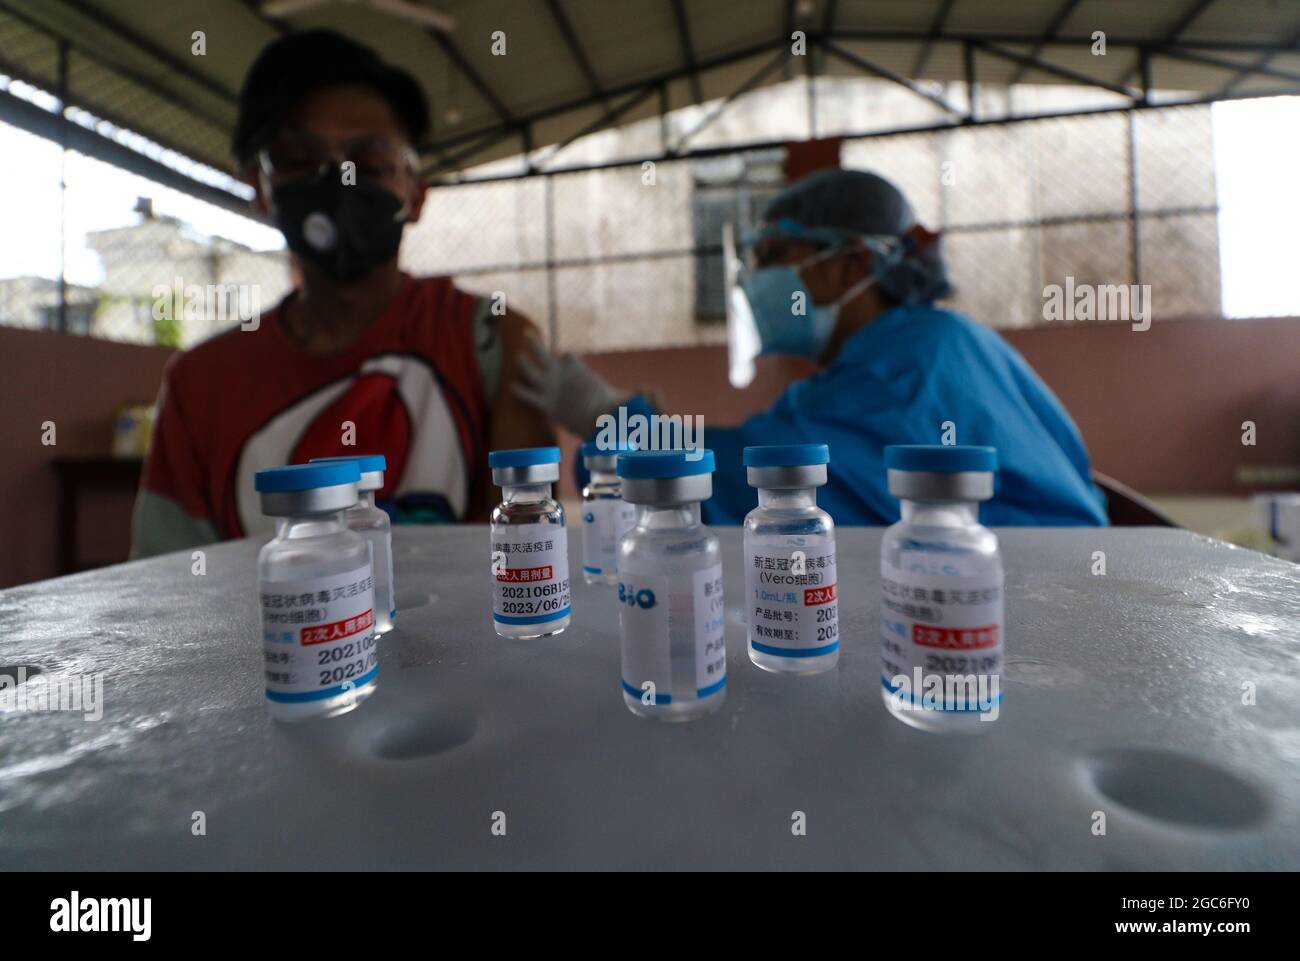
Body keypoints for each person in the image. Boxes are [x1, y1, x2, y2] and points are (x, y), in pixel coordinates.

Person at [132, 30, 553, 557]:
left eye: (370, 163)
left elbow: (527, 557)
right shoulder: (199, 386)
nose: (337, 181)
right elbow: (169, 595)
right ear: (261, 191)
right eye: (299, 159)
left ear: (416, 193)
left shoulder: (493, 341)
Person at [514, 168, 1108, 526]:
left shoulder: (900, 371)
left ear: (850, 263)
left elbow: (747, 482)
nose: (752, 281)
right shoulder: (950, 342)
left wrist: (615, 421)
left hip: (1031, 625)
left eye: (773, 258)